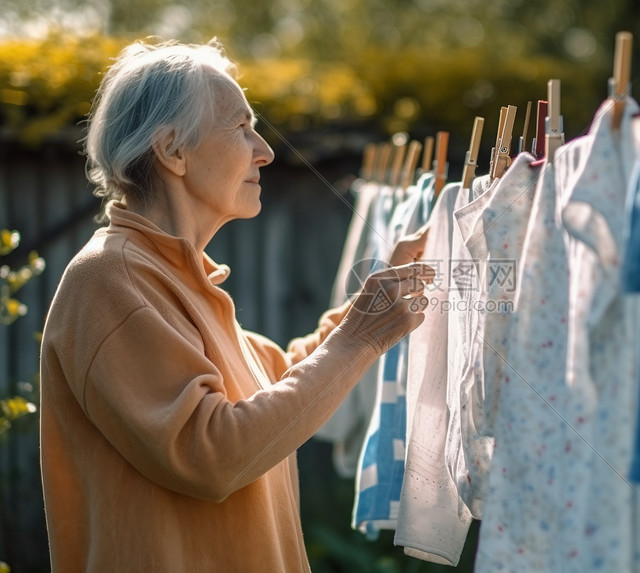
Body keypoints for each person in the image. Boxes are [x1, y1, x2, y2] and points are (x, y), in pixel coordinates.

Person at [38, 38, 433, 572]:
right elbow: (212, 454)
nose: (265, 151)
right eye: (241, 127)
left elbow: (279, 383)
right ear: (173, 151)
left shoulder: (170, 275)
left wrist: (370, 304)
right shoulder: (109, 278)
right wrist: (360, 337)